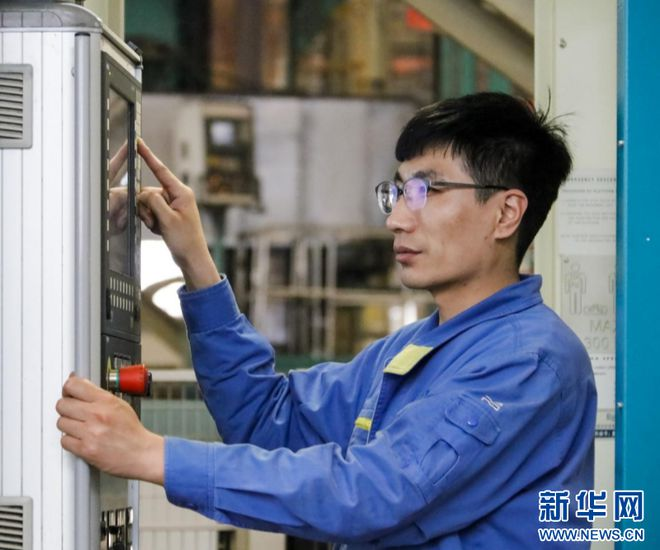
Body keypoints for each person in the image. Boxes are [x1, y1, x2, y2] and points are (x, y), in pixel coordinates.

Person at [56, 92, 596, 548]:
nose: (396, 218)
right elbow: (269, 421)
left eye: (425, 191)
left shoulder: (529, 362)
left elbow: (373, 493)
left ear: (506, 213)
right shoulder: (414, 349)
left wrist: (151, 454)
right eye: (397, 191)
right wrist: (195, 262)